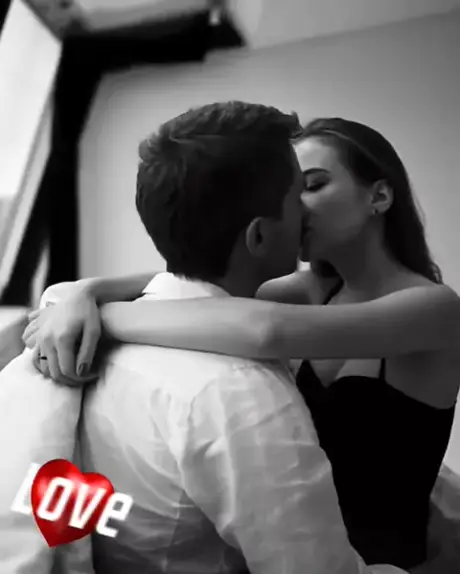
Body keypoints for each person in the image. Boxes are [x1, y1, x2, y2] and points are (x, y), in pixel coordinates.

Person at [25, 115, 460, 570]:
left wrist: (105, 316)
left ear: (379, 196)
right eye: (294, 191)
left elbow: (266, 331)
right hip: (300, 541)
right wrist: (85, 292)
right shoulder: (313, 290)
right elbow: (190, 284)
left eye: (313, 185)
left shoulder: (436, 308)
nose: (297, 207)